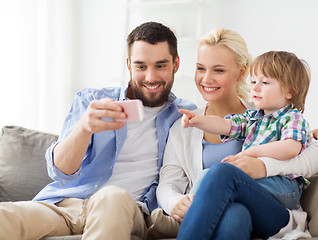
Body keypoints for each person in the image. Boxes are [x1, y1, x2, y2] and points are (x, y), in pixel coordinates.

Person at [0, 21, 196, 240]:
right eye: (141, 67)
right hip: (67, 206)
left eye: (160, 66)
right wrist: (84, 128)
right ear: (129, 64)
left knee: (111, 197)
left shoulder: (186, 115)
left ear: (176, 64)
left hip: (124, 208)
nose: (150, 77)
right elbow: (60, 172)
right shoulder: (93, 100)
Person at [156, 28, 318, 239]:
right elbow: (168, 183)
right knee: (235, 216)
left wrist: (262, 166)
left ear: (241, 72)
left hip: (273, 210)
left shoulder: (271, 112)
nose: (206, 78)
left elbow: (316, 157)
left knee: (220, 172)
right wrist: (175, 203)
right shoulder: (189, 129)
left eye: (218, 70)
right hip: (228, 212)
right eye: (201, 68)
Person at [179, 50, 313, 208]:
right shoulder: (253, 118)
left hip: (284, 186)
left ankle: (202, 206)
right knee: (207, 175)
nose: (255, 88)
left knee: (225, 181)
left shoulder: (292, 117)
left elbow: (291, 148)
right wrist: (199, 120)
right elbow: (225, 125)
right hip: (255, 182)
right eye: (253, 82)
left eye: (265, 83)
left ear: (290, 91)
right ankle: (192, 207)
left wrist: (250, 153)